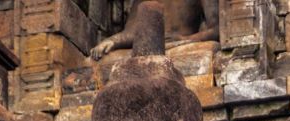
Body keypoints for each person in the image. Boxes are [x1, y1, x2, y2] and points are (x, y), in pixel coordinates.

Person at [90, 0, 219, 60]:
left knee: (211, 49)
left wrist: (185, 39)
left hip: (181, 47)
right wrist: (112, 41)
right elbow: (134, 32)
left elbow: (217, 30)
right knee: (92, 63)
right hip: (147, 51)